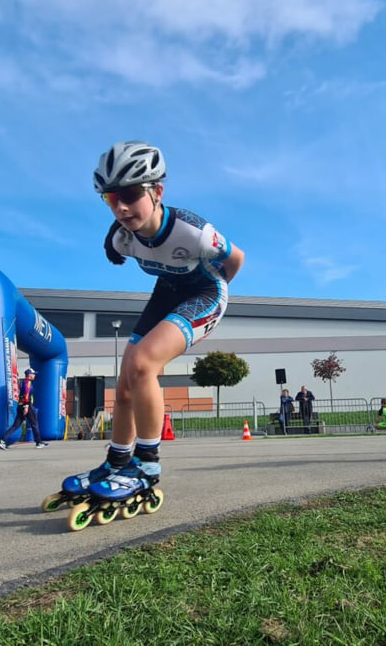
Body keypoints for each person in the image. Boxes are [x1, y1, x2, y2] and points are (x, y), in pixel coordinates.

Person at [63, 141, 244, 504]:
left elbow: (237, 259)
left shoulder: (195, 233)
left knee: (145, 363)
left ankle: (147, 465)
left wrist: (210, 307)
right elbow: (121, 245)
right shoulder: (120, 239)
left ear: (158, 191)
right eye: (111, 199)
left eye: (130, 194)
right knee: (127, 377)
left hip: (205, 293)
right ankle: (117, 461)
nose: (122, 207)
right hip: (167, 293)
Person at [0, 368, 48, 449]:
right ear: (29, 375)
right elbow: (26, 395)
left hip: (20, 405)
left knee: (15, 426)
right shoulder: (28, 383)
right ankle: (38, 442)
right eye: (33, 374)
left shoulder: (24, 382)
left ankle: (2, 441)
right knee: (34, 424)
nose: (34, 375)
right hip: (26, 406)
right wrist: (26, 406)